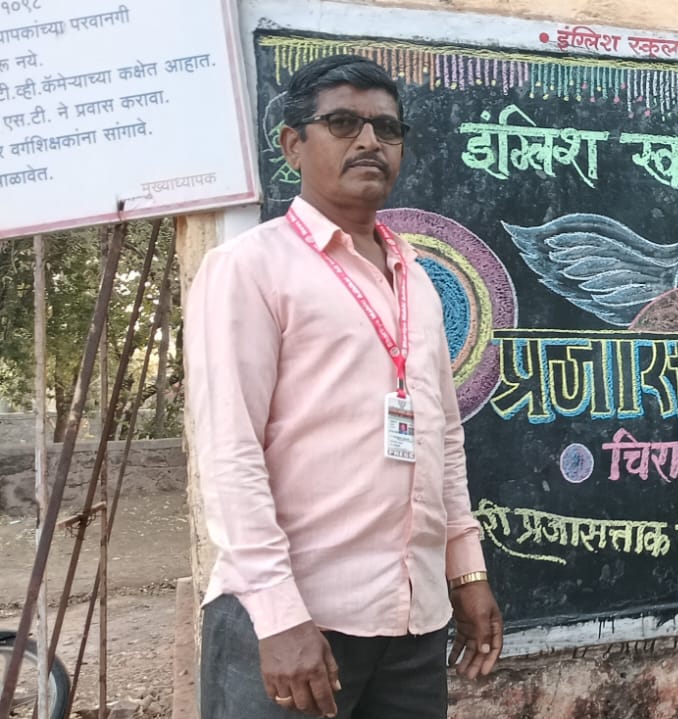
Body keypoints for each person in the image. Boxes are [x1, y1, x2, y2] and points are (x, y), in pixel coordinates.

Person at [186, 55, 501, 719]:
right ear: (293, 144)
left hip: (412, 621)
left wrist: (465, 572)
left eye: (387, 128)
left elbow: (443, 437)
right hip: (296, 622)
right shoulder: (250, 268)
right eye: (342, 123)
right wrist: (279, 615)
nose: (368, 141)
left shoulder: (416, 277)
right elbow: (230, 449)